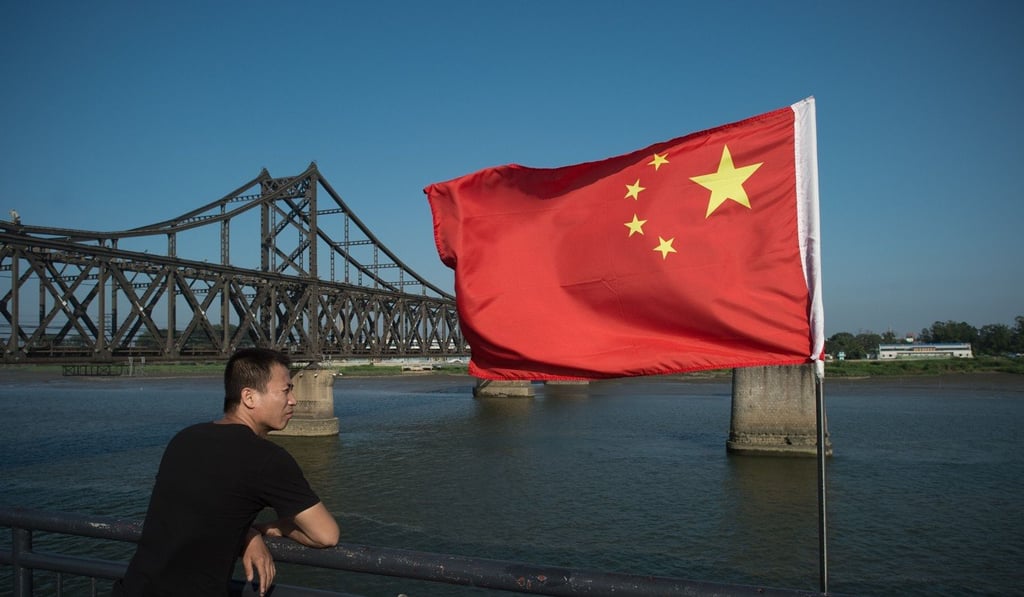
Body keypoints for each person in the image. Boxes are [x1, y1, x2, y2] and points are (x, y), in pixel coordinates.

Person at [113, 348, 340, 597]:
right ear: (249, 397)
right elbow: (325, 535)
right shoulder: (267, 458)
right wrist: (272, 529)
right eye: (286, 390)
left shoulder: (185, 439)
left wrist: (247, 532)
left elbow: (206, 515)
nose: (293, 400)